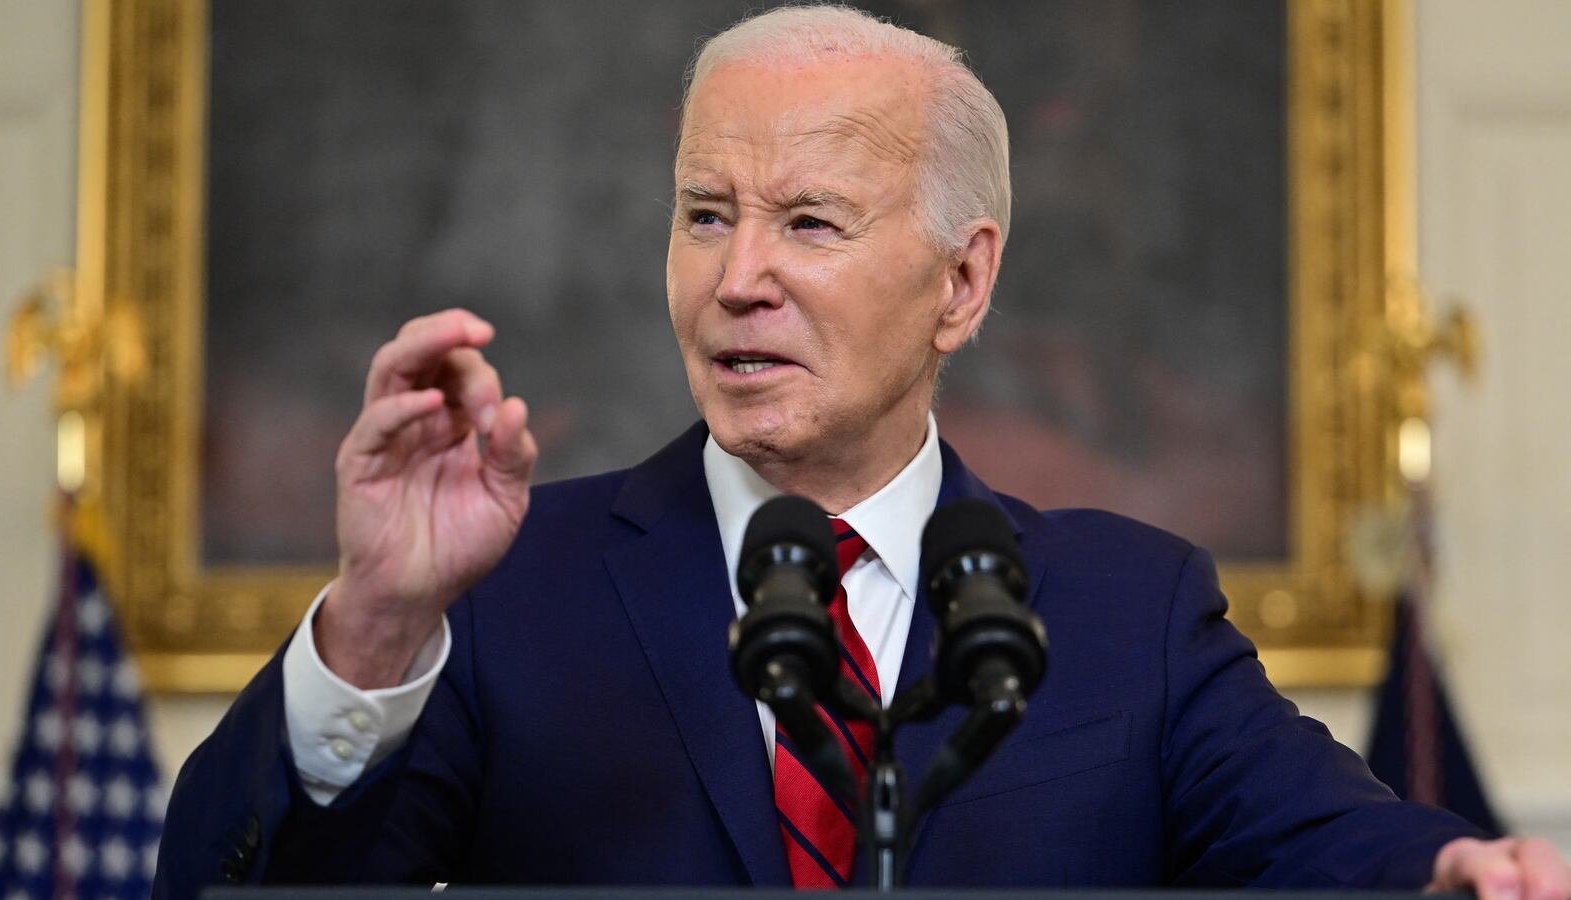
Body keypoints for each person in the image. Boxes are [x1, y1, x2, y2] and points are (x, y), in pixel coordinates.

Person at [155, 6, 1571, 897]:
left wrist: (1456, 869)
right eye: (706, 214)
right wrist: (378, 630)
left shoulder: (1124, 614)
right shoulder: (513, 591)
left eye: (810, 223)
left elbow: (1327, 842)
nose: (739, 276)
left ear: (963, 283)